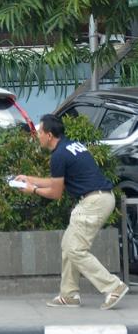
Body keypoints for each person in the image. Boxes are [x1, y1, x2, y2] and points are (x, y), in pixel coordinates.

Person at [14, 114, 128, 309]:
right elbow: (57, 182)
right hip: (100, 197)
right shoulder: (70, 147)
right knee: (69, 245)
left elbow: (56, 192)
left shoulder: (58, 156)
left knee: (75, 249)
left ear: (49, 135)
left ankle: (113, 287)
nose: (38, 135)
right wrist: (30, 179)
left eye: (40, 132)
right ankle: (69, 295)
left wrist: (31, 190)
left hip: (93, 201)